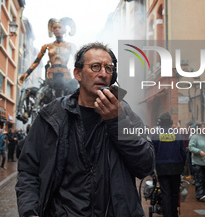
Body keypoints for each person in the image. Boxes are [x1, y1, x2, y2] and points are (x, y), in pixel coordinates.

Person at [16, 42, 155, 217]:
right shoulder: (52, 115)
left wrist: (116, 121)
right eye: (95, 67)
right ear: (78, 73)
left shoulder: (125, 113)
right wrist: (29, 211)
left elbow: (145, 165)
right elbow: (28, 170)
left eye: (109, 69)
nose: (103, 74)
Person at [18, 17, 76, 85]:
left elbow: (77, 61)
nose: (57, 29)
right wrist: (26, 73)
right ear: (52, 30)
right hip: (51, 77)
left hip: (66, 77)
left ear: (65, 30)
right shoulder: (47, 46)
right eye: (54, 28)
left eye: (59, 27)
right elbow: (36, 61)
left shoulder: (71, 46)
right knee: (39, 94)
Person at [152, 112, 186, 217]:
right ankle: (174, 214)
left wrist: (153, 168)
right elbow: (183, 152)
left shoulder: (155, 134)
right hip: (176, 168)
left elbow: (152, 153)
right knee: (175, 193)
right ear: (171, 122)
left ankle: (167, 214)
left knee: (166, 193)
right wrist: (182, 166)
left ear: (160, 123)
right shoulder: (177, 134)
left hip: (162, 168)